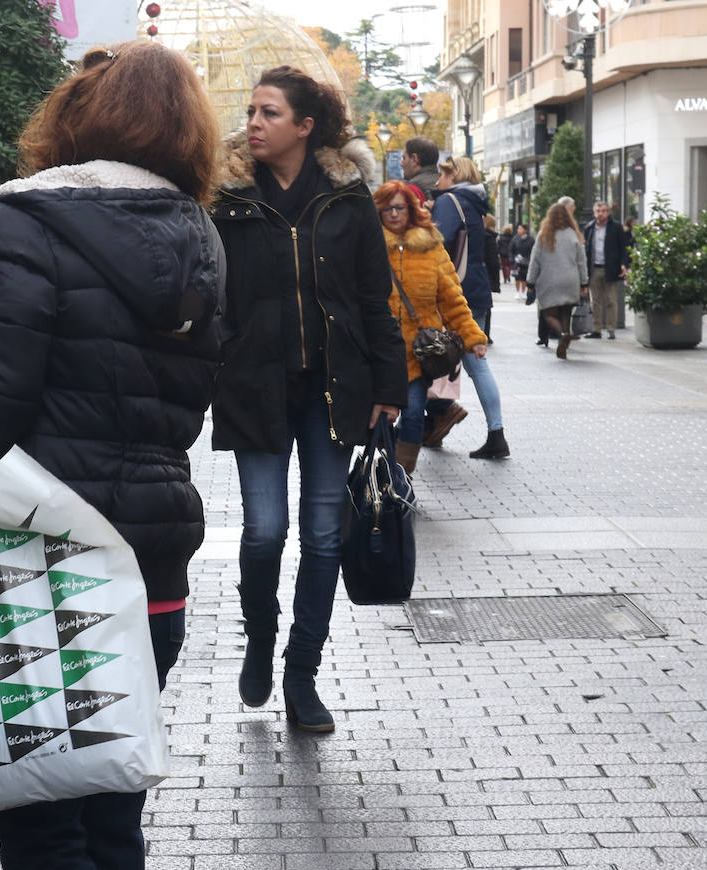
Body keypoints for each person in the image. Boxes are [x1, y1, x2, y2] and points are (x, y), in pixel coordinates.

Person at [0, 40, 223, 870]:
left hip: (37, 572)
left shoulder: (23, 223)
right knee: (112, 819)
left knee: (44, 831)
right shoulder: (199, 236)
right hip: (151, 564)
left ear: (75, 118)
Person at [211, 65, 406, 731]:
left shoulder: (347, 199)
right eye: (251, 111)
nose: (254, 123)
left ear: (305, 126)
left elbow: (375, 300)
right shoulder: (227, 199)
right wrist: (221, 356)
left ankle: (302, 673)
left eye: (269, 112)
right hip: (255, 387)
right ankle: (260, 637)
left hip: (334, 390)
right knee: (265, 531)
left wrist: (389, 385)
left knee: (324, 535)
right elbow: (208, 293)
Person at [373, 181, 487, 475]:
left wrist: (473, 337)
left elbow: (452, 299)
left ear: (411, 209)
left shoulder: (432, 248)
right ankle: (382, 469)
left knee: (412, 414)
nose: (394, 214)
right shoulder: (368, 248)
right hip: (378, 352)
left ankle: (402, 475)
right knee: (380, 418)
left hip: (417, 352)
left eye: (400, 208)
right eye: (387, 209)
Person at [432, 156, 510, 459]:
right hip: (476, 287)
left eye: (441, 175)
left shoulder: (449, 202)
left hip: (456, 292)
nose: (438, 181)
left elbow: (439, 242)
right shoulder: (474, 202)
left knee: (440, 358)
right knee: (476, 363)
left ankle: (411, 428)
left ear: (454, 175)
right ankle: (495, 432)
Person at [527, 201, 589, 359]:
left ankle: (562, 335)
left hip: (549, 280)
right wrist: (584, 282)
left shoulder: (544, 235)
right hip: (570, 280)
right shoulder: (574, 235)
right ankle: (564, 343)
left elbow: (535, 260)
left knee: (548, 312)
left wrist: (530, 281)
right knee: (565, 313)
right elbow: (581, 261)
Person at [581, 201, 630, 339]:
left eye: (603, 211)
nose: (600, 214)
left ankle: (611, 329)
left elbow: (623, 248)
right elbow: (585, 249)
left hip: (610, 267)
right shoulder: (589, 228)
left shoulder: (616, 227)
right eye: (598, 211)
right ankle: (596, 329)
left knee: (611, 300)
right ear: (594, 213)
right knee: (595, 301)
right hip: (594, 268)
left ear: (608, 213)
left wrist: (623, 264)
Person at [401, 136, 441, 202]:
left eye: (404, 158)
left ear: (414, 159)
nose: (401, 163)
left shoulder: (410, 189)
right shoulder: (448, 185)